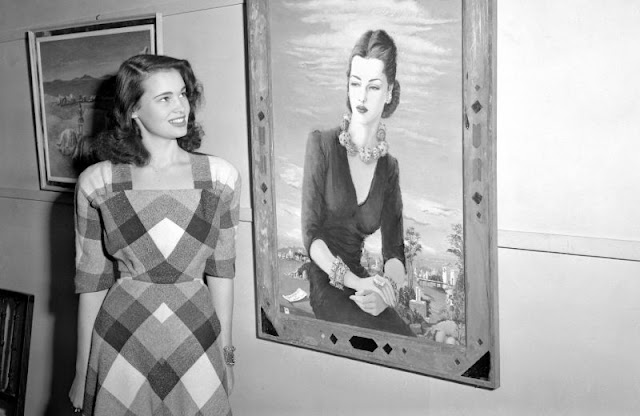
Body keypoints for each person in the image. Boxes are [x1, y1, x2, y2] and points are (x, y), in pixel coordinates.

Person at [68, 54, 240, 415]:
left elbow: (222, 273)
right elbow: (92, 283)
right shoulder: (98, 182)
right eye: (165, 98)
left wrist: (227, 356)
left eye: (183, 94)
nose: (181, 107)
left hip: (196, 338)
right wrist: (82, 371)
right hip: (121, 341)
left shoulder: (220, 178)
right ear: (133, 109)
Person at [301, 30, 414, 337]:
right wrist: (356, 282)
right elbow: (311, 236)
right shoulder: (322, 145)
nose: (361, 97)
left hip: (364, 285)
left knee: (406, 339)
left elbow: (394, 254)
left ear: (389, 92)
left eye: (373, 86)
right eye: (355, 83)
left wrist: (385, 291)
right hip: (327, 284)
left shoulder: (389, 168)